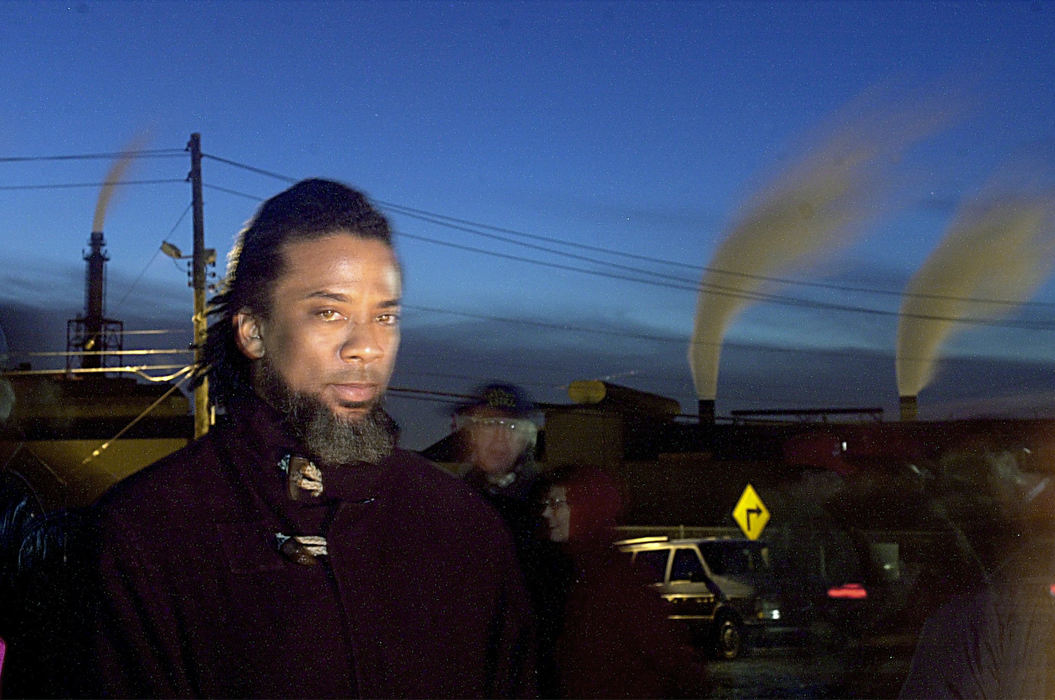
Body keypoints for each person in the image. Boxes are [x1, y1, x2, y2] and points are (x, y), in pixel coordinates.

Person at [76, 179, 535, 698]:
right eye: (329, 311)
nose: (367, 347)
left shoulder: (464, 528)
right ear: (253, 332)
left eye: (385, 316)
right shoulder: (146, 539)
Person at [537, 463, 709, 698]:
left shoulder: (616, 578)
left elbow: (667, 657)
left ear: (586, 508)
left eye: (557, 504)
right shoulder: (568, 572)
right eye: (546, 503)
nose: (546, 513)